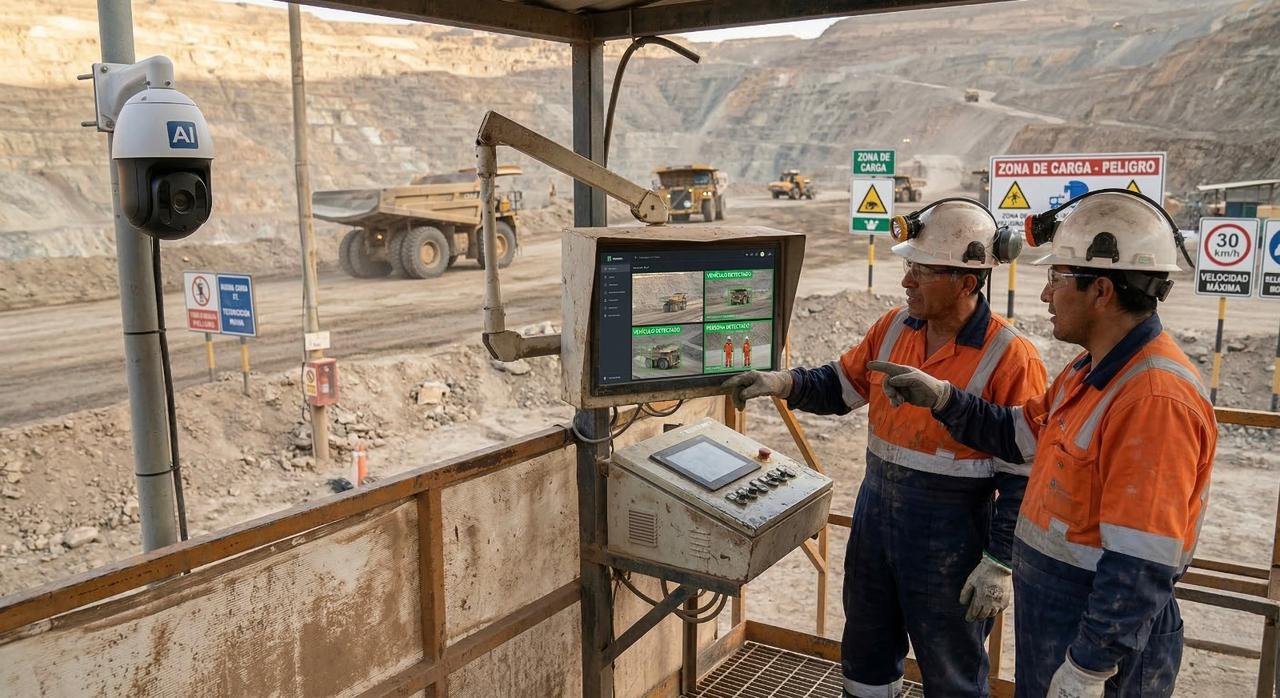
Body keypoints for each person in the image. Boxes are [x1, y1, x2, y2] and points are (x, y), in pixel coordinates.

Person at [870, 190, 1215, 697]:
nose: (1045, 296)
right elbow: (1017, 434)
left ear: (1101, 290)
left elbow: (1141, 561)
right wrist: (943, 398)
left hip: (1103, 643)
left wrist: (1089, 668)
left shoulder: (1153, 400)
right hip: (1063, 619)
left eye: (1056, 278)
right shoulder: (1087, 372)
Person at [725, 199, 1046, 697]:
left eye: (922, 271)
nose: (906, 281)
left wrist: (999, 562)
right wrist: (783, 383)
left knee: (952, 673)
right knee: (866, 655)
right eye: (908, 266)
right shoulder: (894, 327)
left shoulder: (1011, 357)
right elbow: (840, 387)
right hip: (875, 517)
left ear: (967, 282)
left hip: (953, 535)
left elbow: (1025, 474)